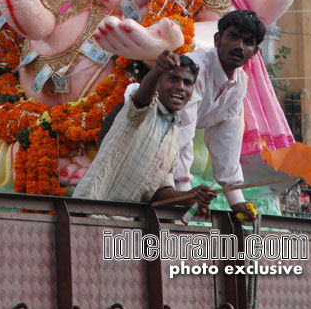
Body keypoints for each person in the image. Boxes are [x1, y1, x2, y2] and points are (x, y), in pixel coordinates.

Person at [73, 49, 216, 214]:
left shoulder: (176, 134)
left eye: (187, 82)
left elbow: (159, 191)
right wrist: (158, 69)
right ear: (159, 82)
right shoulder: (143, 109)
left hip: (123, 226)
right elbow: (142, 97)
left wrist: (189, 197)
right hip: (89, 213)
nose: (180, 87)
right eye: (173, 79)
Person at [174, 9, 265, 220]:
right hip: (137, 135)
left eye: (248, 42)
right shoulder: (195, 69)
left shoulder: (239, 82)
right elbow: (181, 131)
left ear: (255, 52)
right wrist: (185, 190)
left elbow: (228, 141)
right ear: (217, 39)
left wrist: (236, 200)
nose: (239, 47)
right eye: (232, 37)